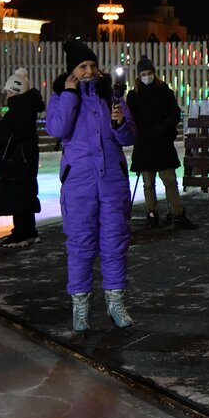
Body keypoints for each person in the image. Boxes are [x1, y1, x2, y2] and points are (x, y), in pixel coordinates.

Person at [45, 40, 137, 332]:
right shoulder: (60, 97)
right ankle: (80, 307)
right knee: (80, 244)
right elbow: (57, 129)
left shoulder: (110, 96)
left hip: (112, 182)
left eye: (92, 65)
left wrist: (120, 124)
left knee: (115, 242)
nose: (89, 71)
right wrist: (70, 95)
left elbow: (129, 137)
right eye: (82, 66)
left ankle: (116, 303)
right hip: (79, 183)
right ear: (71, 71)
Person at [126, 55, 196, 230]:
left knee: (169, 180)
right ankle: (152, 213)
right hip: (146, 143)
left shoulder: (164, 91)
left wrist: (164, 127)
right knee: (149, 183)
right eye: (144, 74)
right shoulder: (133, 96)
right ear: (139, 76)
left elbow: (175, 113)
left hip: (160, 141)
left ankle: (177, 213)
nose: (147, 76)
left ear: (154, 73)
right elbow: (132, 118)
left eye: (149, 73)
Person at [0, 68, 46, 247]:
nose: (7, 94)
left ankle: (21, 233)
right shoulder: (26, 106)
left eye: (10, 91)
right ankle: (27, 232)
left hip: (18, 161)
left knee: (18, 196)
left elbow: (15, 134)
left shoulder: (21, 108)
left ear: (17, 91)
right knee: (25, 195)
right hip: (24, 159)